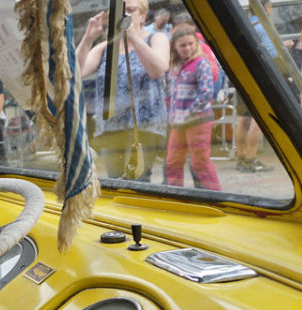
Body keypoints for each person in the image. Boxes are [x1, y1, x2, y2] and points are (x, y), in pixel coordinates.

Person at [76, 0, 169, 180]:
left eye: (131, 10)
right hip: (111, 128)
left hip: (144, 126)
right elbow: (75, 73)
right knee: (115, 182)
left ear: (142, 16)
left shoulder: (156, 38)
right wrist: (88, 38)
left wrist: (132, 36)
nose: (124, 14)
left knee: (136, 181)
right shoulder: (106, 47)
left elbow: (158, 70)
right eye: (119, 11)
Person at [165, 25, 221, 190]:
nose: (187, 48)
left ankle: (214, 196)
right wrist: (173, 116)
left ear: (196, 43)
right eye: (183, 45)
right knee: (173, 161)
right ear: (175, 47)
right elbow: (171, 94)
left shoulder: (201, 63)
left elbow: (206, 93)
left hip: (198, 120)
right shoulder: (175, 66)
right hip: (178, 122)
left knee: (200, 162)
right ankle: (175, 196)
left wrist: (188, 113)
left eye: (191, 44)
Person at [236, 0, 276, 172]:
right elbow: (271, 54)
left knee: (243, 119)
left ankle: (241, 157)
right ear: (265, 8)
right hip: (260, 76)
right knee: (258, 120)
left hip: (242, 74)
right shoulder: (263, 27)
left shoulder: (244, 24)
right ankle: (251, 159)